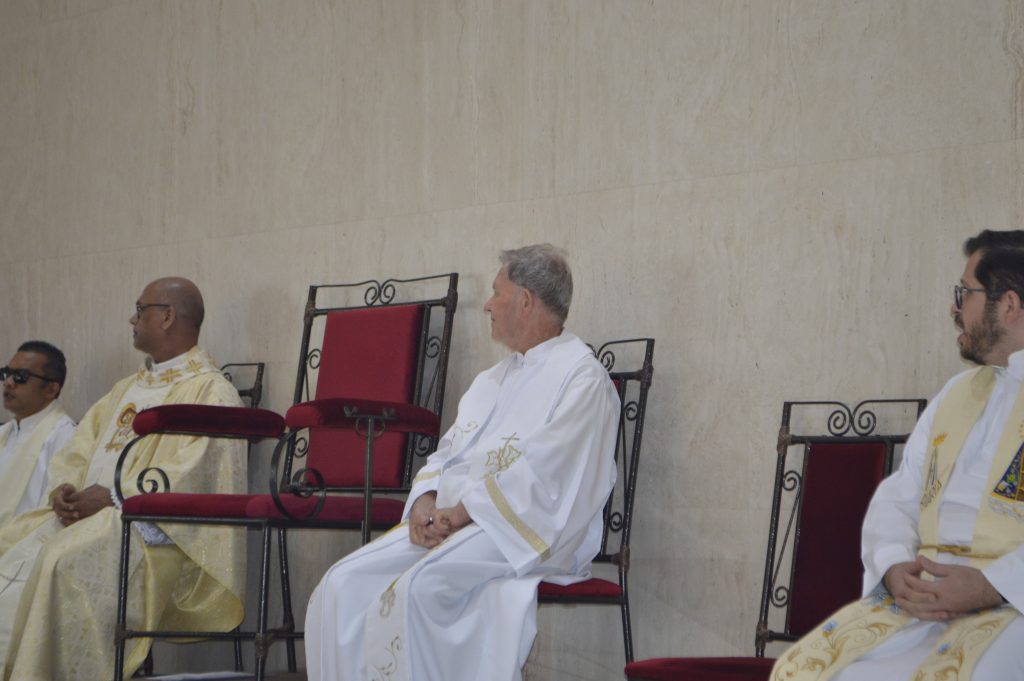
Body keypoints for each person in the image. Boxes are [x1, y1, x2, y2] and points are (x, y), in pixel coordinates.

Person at [305, 244, 621, 681]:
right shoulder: (492, 379)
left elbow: (552, 476)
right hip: (460, 523)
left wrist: (463, 512)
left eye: (497, 292)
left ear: (526, 302)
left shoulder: (582, 378)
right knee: (342, 584)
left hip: (526, 530)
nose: (488, 304)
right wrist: (423, 503)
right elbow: (448, 452)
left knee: (420, 589)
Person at [772, 230, 1024, 681]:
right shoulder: (956, 394)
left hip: (1012, 608)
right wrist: (892, 566)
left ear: (1008, 306)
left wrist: (989, 586)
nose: (955, 307)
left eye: (964, 293)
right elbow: (901, 495)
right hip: (920, 602)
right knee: (809, 672)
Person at [0, 277, 246, 681]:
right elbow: (78, 450)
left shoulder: (211, 391)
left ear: (167, 317)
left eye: (140, 308)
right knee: (11, 547)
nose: (132, 318)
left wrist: (116, 498)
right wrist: (65, 492)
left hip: (147, 533)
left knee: (60, 562)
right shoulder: (127, 389)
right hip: (85, 519)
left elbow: (197, 476)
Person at [0, 341, 75, 526]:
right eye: (7, 373)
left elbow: (52, 516)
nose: (8, 382)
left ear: (51, 389)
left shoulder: (65, 437)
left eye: (20, 376)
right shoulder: (4, 433)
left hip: (25, 547)